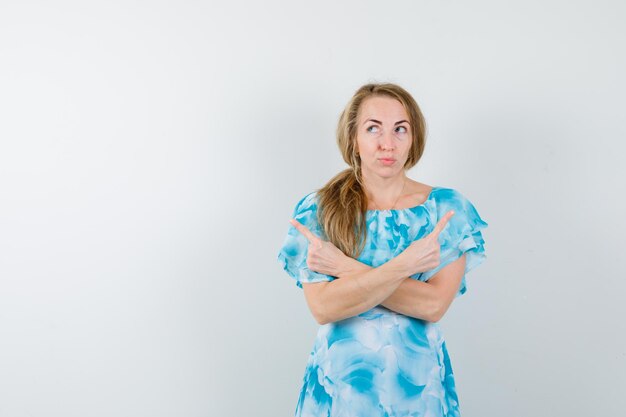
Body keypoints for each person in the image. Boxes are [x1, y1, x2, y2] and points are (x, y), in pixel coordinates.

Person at [277, 82, 488, 417]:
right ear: (354, 139)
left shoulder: (446, 209)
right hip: (340, 390)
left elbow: (432, 306)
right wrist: (406, 265)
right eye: (373, 128)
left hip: (419, 392)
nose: (387, 143)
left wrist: (345, 268)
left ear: (413, 139)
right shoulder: (319, 210)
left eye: (400, 129)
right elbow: (324, 308)